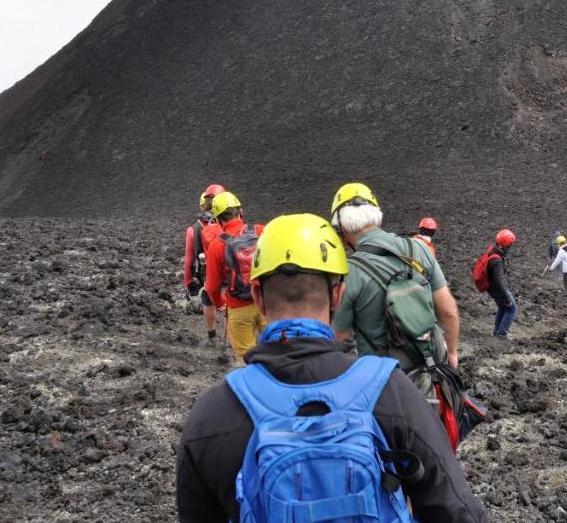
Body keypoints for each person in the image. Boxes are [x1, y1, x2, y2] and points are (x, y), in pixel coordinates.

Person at [176, 213, 490, 522]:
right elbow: (457, 510)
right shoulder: (391, 392)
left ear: (257, 297)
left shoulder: (212, 414)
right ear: (338, 294)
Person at [329, 183, 460, 371]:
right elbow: (448, 312)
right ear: (377, 218)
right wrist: (452, 353)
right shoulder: (420, 248)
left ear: (341, 228)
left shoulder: (348, 272)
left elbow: (341, 340)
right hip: (430, 368)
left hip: (382, 383)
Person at [201, 190, 265, 363]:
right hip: (267, 304)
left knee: (245, 360)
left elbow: (212, 286)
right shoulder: (261, 231)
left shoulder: (217, 245)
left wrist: (222, 303)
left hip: (237, 307)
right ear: (240, 211)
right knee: (277, 352)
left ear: (219, 219)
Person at [182, 183, 224, 343]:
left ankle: (212, 336)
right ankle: (232, 337)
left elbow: (189, 258)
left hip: (208, 272)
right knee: (232, 304)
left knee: (208, 299)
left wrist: (188, 280)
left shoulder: (194, 229)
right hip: (229, 270)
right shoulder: (229, 222)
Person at [482, 229, 517, 338]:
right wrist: (506, 299)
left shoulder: (493, 249)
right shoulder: (497, 260)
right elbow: (499, 281)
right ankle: (501, 334)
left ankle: (496, 331)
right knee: (512, 309)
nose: (511, 246)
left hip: (491, 287)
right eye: (510, 244)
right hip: (496, 288)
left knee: (502, 307)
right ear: (506, 244)